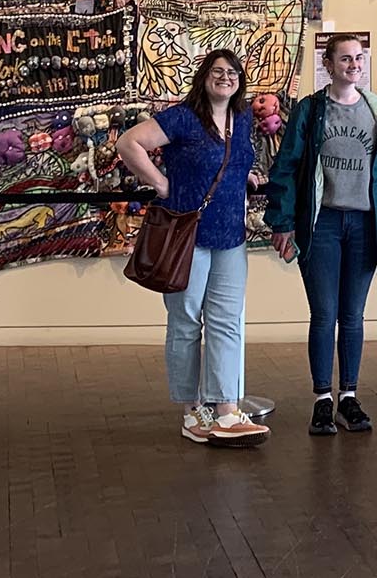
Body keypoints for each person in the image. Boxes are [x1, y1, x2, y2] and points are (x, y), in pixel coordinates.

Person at [112, 48, 269, 447]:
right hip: (187, 236)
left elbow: (230, 161)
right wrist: (162, 185)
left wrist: (245, 173)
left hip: (230, 238)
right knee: (185, 324)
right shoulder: (183, 117)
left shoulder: (242, 118)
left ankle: (227, 410)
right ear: (204, 77)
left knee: (226, 322)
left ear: (240, 80)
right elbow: (130, 143)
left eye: (232, 72)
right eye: (217, 71)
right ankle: (191, 410)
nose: (225, 78)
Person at [264, 33, 377, 437]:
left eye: (358, 58)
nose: (353, 64)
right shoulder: (310, 111)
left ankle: (348, 396)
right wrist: (282, 221)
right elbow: (287, 166)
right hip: (323, 224)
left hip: (364, 226)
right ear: (328, 65)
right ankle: (321, 401)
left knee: (353, 316)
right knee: (324, 314)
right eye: (344, 58)